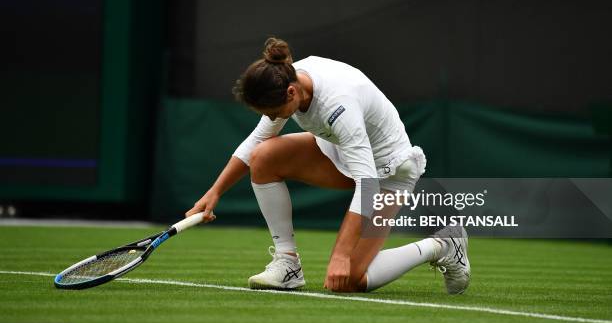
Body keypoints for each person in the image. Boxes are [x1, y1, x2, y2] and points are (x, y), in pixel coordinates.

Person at [185, 38, 470, 293]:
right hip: (340, 156)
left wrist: (341, 255)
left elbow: (368, 183)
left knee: (349, 281)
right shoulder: (285, 79)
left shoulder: (338, 103)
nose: (272, 118)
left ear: (292, 94)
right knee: (263, 156)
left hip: (389, 173)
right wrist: (215, 192)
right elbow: (256, 140)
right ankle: (287, 264)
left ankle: (444, 245)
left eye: (273, 113)